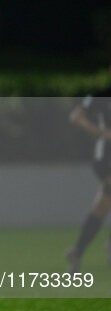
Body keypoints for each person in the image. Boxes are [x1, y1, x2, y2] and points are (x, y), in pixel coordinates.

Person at [66, 65, 111, 273]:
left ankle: (77, 251)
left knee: (102, 206)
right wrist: (100, 131)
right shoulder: (100, 97)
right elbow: (76, 117)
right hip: (106, 156)